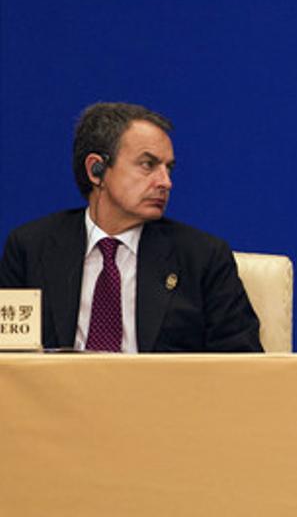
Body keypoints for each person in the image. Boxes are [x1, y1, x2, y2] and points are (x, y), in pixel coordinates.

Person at [0, 102, 262, 352]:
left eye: (168, 168)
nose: (165, 182)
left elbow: (242, 364)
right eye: (148, 165)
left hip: (164, 397)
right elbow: (10, 356)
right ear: (96, 170)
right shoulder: (31, 249)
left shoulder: (203, 257)